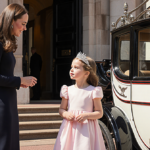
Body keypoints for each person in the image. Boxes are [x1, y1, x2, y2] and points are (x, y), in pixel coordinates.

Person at [0, 3, 37, 150]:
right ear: (11, 21)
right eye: (23, 23)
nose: (25, 28)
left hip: (8, 102)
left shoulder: (5, 44)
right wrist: (19, 80)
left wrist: (18, 82)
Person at [54, 52, 106, 150]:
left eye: (76, 67)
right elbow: (61, 109)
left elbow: (99, 113)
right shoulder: (67, 90)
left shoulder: (93, 91)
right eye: (71, 67)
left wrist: (86, 115)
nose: (71, 70)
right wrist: (66, 114)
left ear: (86, 73)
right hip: (70, 129)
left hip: (86, 130)